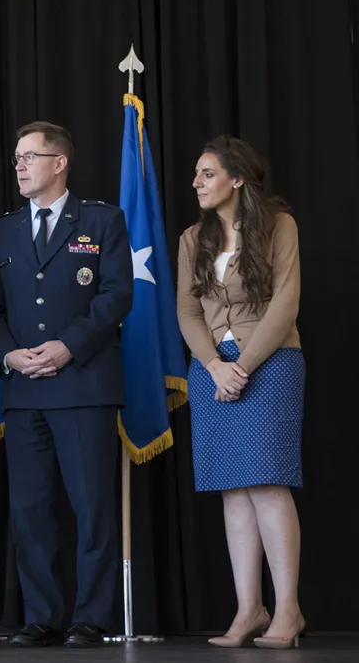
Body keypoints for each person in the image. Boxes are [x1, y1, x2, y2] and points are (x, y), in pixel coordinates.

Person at [0, 122, 133, 648]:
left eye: (29, 157)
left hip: (83, 383)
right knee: (31, 510)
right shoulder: (3, 231)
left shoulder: (103, 220)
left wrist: (69, 345)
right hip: (23, 391)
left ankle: (91, 617)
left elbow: (116, 295)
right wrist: (7, 354)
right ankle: (41, 616)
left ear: (59, 162)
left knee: (92, 509)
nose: (18, 165)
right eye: (16, 157)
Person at [178, 136, 305, 650]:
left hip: (270, 363)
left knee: (268, 483)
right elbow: (188, 312)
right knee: (233, 488)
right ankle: (249, 608)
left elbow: (286, 304)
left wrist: (243, 365)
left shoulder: (279, 225)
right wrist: (213, 366)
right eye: (196, 174)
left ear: (236, 179)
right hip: (210, 372)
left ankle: (289, 610)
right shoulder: (192, 238)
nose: (196, 183)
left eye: (207, 174)